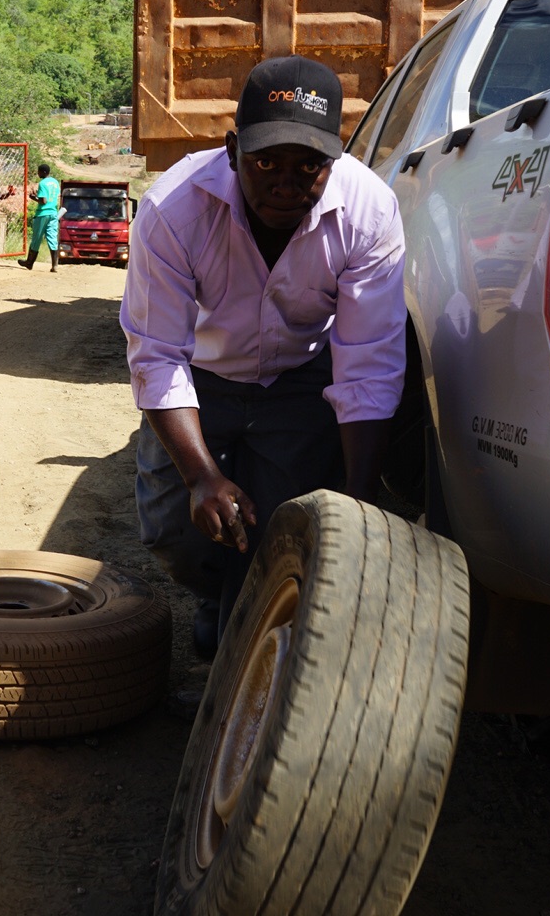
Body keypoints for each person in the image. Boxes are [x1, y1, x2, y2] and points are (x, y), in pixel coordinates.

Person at [120, 55, 406, 659]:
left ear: (336, 159)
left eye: (310, 166)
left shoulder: (370, 211)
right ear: (232, 150)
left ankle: (243, 636)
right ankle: (215, 591)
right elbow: (158, 355)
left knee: (277, 528)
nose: (287, 182)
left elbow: (368, 364)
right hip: (202, 374)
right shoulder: (174, 209)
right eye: (266, 162)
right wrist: (201, 475)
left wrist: (358, 500)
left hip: (300, 378)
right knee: (177, 529)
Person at [19, 163, 62, 272]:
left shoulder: (42, 183)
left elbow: (43, 201)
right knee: (52, 238)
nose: (38, 173)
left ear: (43, 172)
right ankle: (55, 265)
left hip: (43, 213)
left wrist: (33, 197)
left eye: (38, 171)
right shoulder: (55, 182)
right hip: (53, 213)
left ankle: (29, 262)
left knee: (36, 239)